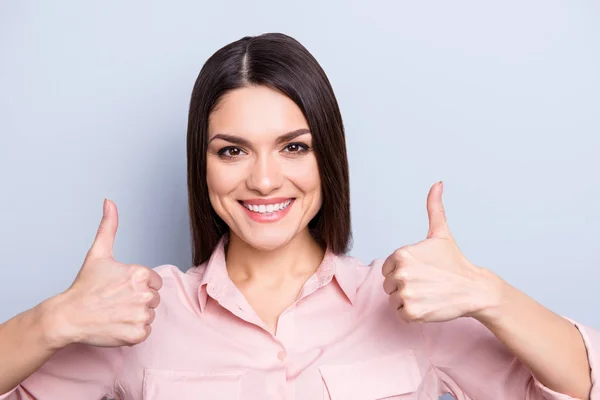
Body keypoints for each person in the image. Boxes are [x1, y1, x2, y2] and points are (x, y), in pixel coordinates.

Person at [0, 32, 598, 400]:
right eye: (232, 150)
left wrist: (486, 293)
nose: (263, 179)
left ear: (327, 158)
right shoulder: (138, 315)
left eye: (294, 146)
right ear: (202, 166)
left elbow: (582, 388)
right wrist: (54, 320)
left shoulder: (410, 302)